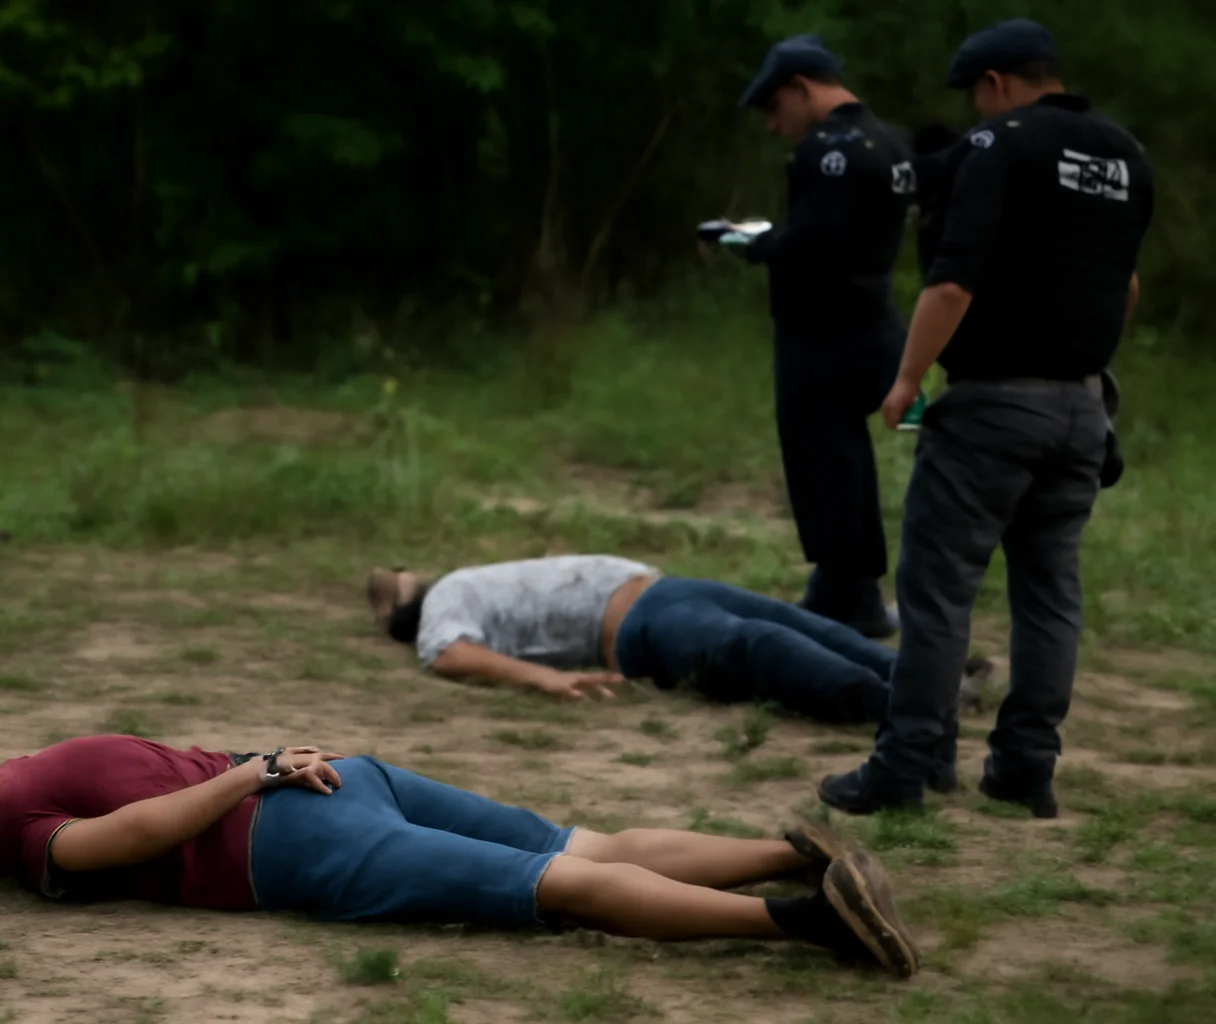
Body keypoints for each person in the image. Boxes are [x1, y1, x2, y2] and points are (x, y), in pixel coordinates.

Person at [818, 20, 1154, 818]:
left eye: (976, 94)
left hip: (993, 407)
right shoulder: (1126, 155)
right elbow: (1128, 287)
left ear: (996, 83)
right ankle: (1025, 770)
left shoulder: (999, 145)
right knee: (1049, 593)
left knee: (938, 587)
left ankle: (906, 766)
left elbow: (951, 282)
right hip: (1083, 409)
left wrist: (908, 378)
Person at [0, 733, 921, 977]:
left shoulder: (20, 817)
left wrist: (255, 773)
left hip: (293, 825)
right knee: (571, 848)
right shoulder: (35, 781)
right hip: (334, 781)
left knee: (555, 879)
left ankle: (806, 909)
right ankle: (790, 865)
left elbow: (138, 829)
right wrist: (263, 762)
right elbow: (142, 804)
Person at [368, 556, 992, 754]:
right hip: (641, 624)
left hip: (664, 592)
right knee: (757, 643)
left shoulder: (456, 585)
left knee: (799, 625)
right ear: (409, 599)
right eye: (401, 577)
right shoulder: (441, 602)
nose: (406, 569)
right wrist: (543, 678)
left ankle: (926, 680)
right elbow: (446, 655)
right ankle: (902, 706)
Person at [713, 35, 916, 638]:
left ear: (802, 88)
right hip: (877, 321)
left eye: (774, 108)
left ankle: (845, 602)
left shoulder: (825, 149)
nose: (773, 125)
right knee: (847, 461)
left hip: (821, 332)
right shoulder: (891, 140)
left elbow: (811, 244)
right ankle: (847, 591)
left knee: (822, 463)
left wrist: (746, 242)